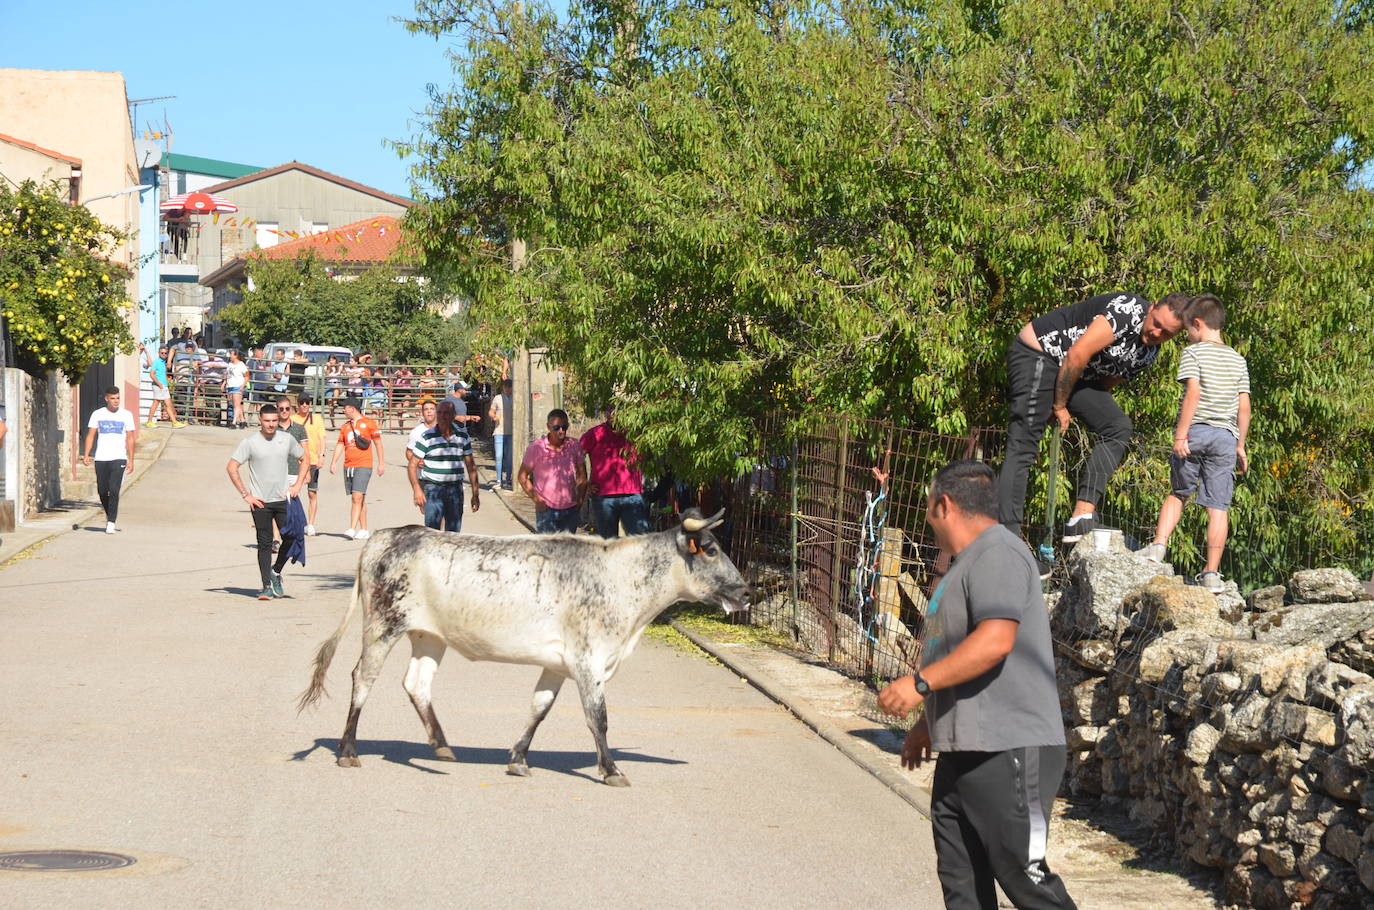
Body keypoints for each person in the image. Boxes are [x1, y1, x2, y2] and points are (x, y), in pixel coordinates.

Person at [878, 460, 1075, 910]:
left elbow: (994, 641)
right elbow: (957, 652)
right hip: (964, 750)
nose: (927, 516)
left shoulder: (998, 553)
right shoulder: (966, 566)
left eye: (928, 506)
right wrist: (929, 725)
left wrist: (919, 684)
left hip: (1008, 747)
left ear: (943, 504)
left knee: (1024, 877)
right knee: (961, 879)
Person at [997, 291, 1189, 549]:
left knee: (1117, 426)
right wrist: (1059, 404)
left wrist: (1077, 404)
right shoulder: (1127, 310)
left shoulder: (1148, 354)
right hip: (1041, 353)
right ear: (1152, 307)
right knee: (1024, 444)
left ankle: (1082, 514)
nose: (1156, 333)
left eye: (1166, 333)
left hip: (1076, 375)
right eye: (1156, 323)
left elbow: (1106, 382)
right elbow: (1078, 353)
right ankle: (1006, 540)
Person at [1140, 294, 1251, 592]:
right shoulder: (1238, 360)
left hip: (1197, 432)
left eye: (1188, 329)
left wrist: (1180, 435)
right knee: (1218, 507)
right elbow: (1244, 407)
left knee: (1179, 493)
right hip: (1226, 438)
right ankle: (1212, 574)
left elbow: (1193, 393)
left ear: (1198, 324)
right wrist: (1240, 445)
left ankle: (1158, 548)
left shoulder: (1194, 353)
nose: (1186, 335)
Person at [226, 404, 306, 600]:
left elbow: (305, 458)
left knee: (292, 536)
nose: (271, 425)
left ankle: (276, 571)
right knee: (264, 543)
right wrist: (246, 495)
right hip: (260, 502)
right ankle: (266, 587)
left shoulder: (286, 439)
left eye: (274, 421)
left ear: (278, 421)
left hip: (283, 499)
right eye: (267, 421)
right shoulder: (250, 442)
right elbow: (231, 467)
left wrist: (297, 485)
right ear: (260, 421)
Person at [408, 400, 480, 531]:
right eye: (439, 412)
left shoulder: (462, 437)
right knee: (431, 533)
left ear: (453, 415)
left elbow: (471, 466)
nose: (442, 416)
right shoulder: (427, 437)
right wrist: (417, 489)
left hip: (455, 490)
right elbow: (412, 465)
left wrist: (475, 494)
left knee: (453, 534)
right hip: (433, 489)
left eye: (446, 413)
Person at [580, 407, 652, 538]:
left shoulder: (636, 433)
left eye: (618, 410)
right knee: (608, 543)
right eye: (609, 411)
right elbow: (577, 456)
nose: (613, 415)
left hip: (633, 495)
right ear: (605, 414)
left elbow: (652, 453)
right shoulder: (595, 434)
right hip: (604, 497)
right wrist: (585, 482)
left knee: (641, 540)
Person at [518, 408, 587, 534]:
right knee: (548, 551)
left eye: (564, 427)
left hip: (570, 509)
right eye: (556, 427)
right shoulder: (536, 448)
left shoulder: (574, 445)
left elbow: (582, 474)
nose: (561, 431)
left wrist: (580, 499)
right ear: (548, 427)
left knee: (567, 550)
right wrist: (537, 500)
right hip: (547, 511)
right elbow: (522, 477)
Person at [82, 386, 136, 534]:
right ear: (107, 399)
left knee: (113, 490)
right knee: (102, 490)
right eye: (112, 398)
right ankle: (109, 514)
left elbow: (131, 438)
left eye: (118, 398)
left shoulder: (126, 415)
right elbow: (90, 435)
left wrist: (131, 459)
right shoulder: (97, 414)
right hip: (101, 457)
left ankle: (111, 521)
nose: (116, 401)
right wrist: (86, 454)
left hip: (119, 457)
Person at [329, 398, 384, 539]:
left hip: (364, 464)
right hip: (349, 465)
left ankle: (352, 528)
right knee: (360, 498)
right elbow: (340, 444)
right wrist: (334, 461)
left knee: (356, 497)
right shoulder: (345, 426)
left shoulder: (369, 423)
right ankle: (364, 529)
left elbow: (378, 443)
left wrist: (381, 463)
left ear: (352, 408)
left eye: (345, 407)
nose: (343, 410)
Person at [293, 393, 328, 536]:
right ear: (298, 404)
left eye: (307, 402)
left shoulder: (317, 419)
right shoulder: (293, 419)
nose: (305, 405)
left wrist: (322, 455)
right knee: (293, 492)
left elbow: (322, 438)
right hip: (295, 460)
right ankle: (294, 522)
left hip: (312, 460)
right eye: (302, 403)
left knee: (312, 492)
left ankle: (311, 524)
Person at [140, 343, 185, 428]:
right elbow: (152, 374)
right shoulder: (157, 362)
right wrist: (160, 384)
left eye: (165, 353)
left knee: (167, 404)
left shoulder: (163, 362)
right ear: (159, 353)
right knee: (157, 403)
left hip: (163, 385)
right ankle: (150, 421)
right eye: (162, 353)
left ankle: (174, 422)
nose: (164, 354)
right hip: (158, 386)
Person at [488, 379, 513, 490]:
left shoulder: (515, 398)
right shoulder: (497, 398)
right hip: (499, 431)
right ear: (503, 387)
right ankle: (499, 480)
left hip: (511, 432)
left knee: (509, 457)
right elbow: (491, 411)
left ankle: (508, 479)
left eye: (510, 386)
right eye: (506, 386)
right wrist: (493, 416)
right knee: (499, 456)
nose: (508, 388)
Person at [224, 349, 249, 428]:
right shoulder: (230, 364)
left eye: (231, 354)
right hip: (230, 385)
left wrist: (242, 386)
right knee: (236, 404)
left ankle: (234, 422)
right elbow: (227, 375)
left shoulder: (241, 365)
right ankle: (242, 421)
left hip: (238, 385)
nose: (230, 356)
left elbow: (247, 376)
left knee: (236, 405)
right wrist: (224, 383)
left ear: (235, 356)